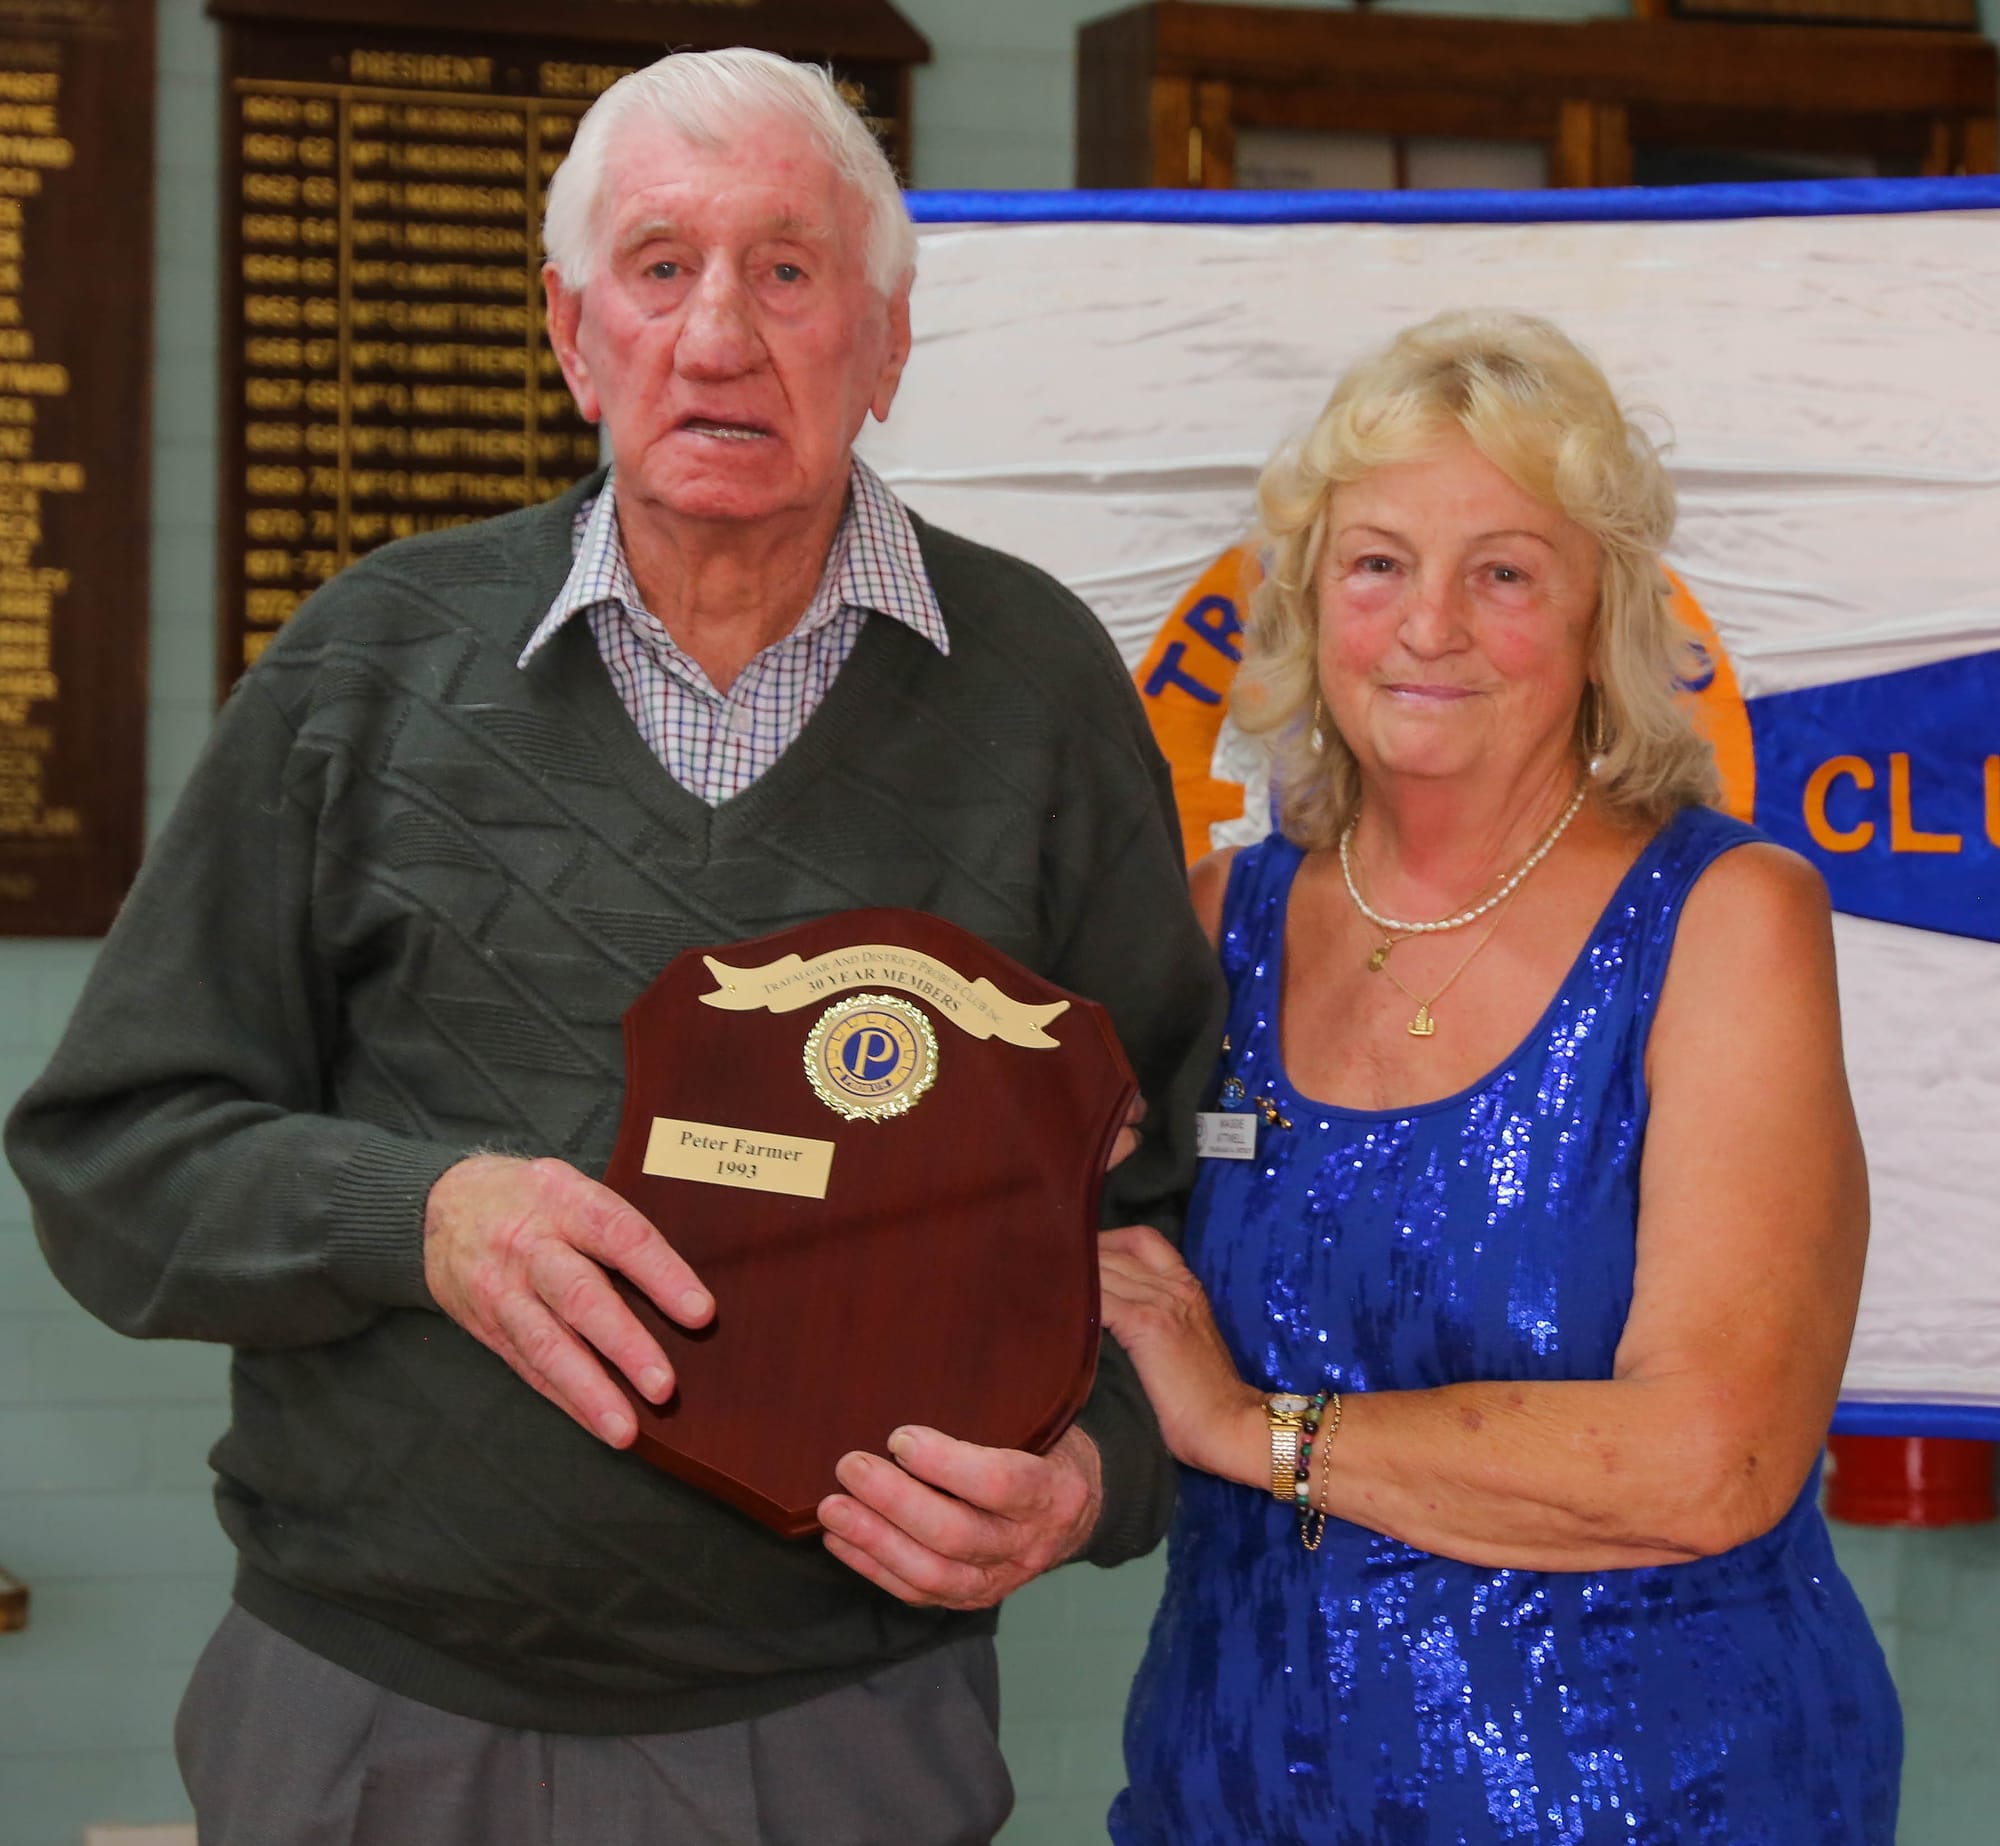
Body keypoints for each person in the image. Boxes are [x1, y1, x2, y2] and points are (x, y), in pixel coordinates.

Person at [5, 49, 1223, 1846]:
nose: (718, 332)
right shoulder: (369, 665)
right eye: (661, 267)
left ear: (885, 345)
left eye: (788, 271)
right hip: (365, 1722)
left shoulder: (1039, 694)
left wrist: (1091, 1476)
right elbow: (112, 1163)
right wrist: (420, 1218)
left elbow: (1169, 1194)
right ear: (575, 332)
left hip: (838, 1735)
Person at [1098, 310, 1900, 1842]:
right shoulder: (1216, 925)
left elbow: (1711, 1456)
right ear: (1310, 601)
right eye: (1378, 562)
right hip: (1233, 1788)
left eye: (1505, 573)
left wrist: (1257, 1431)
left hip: (1666, 1798)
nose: (1429, 626)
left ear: (1603, 618)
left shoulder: (1725, 919)